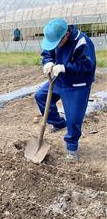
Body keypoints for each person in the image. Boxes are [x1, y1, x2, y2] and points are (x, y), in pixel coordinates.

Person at [35, 18, 96, 161]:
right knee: (40, 96)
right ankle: (58, 123)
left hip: (77, 85)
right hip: (60, 80)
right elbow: (48, 52)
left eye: (57, 42)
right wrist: (48, 61)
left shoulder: (83, 42)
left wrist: (65, 67)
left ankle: (72, 147)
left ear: (66, 35)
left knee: (74, 118)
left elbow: (87, 67)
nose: (55, 45)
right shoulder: (56, 36)